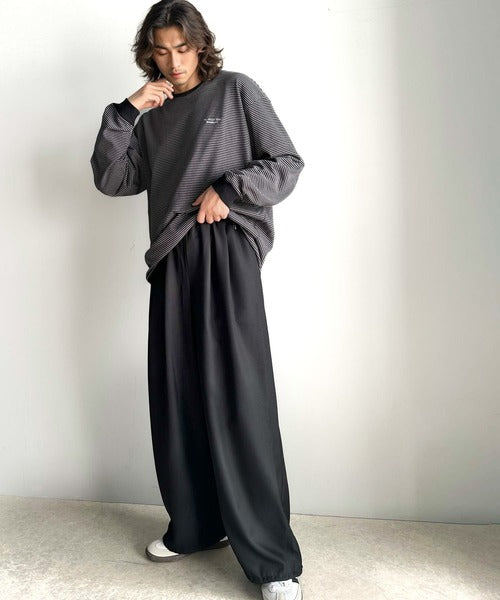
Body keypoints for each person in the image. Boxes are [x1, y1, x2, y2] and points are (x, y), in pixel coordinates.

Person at [90, 1, 305, 599]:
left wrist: (229, 189)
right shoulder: (151, 114)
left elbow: (287, 162)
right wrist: (126, 112)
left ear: (201, 45)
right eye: (161, 51)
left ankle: (274, 561)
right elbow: (112, 179)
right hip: (170, 257)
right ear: (149, 54)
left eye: (183, 49)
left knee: (237, 394)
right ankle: (196, 526)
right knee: (178, 393)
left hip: (225, 248)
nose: (174, 62)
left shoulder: (236, 90)